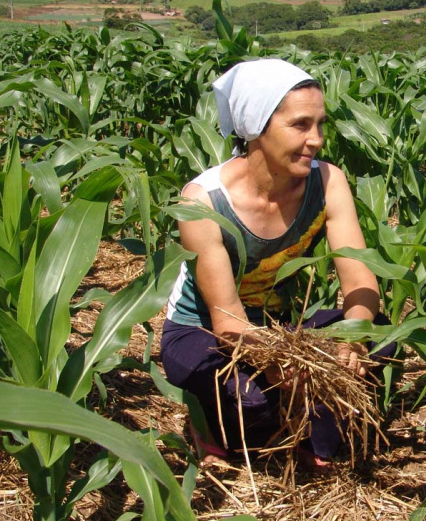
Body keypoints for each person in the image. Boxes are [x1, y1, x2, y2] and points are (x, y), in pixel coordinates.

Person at [160, 59, 386, 471]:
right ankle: (209, 422)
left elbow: (359, 277)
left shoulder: (328, 182)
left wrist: (351, 340)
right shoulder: (203, 202)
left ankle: (305, 434)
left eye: (320, 124)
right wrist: (286, 366)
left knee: (381, 334)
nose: (316, 140)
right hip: (205, 332)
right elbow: (227, 322)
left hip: (277, 328)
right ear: (256, 128)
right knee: (251, 401)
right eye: (300, 125)